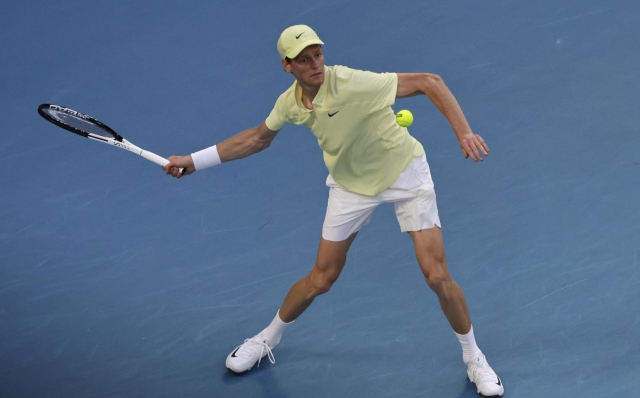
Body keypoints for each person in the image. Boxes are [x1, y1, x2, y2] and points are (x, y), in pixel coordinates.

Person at [163, 25, 504, 397]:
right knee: (322, 278)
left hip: (403, 173)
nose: (315, 65)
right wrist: (195, 161)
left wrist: (464, 133)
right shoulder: (290, 103)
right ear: (287, 66)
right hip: (350, 184)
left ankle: (474, 358)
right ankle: (266, 339)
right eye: (304, 59)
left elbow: (429, 81)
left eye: (318, 55)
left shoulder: (352, 83)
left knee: (436, 275)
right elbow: (258, 138)